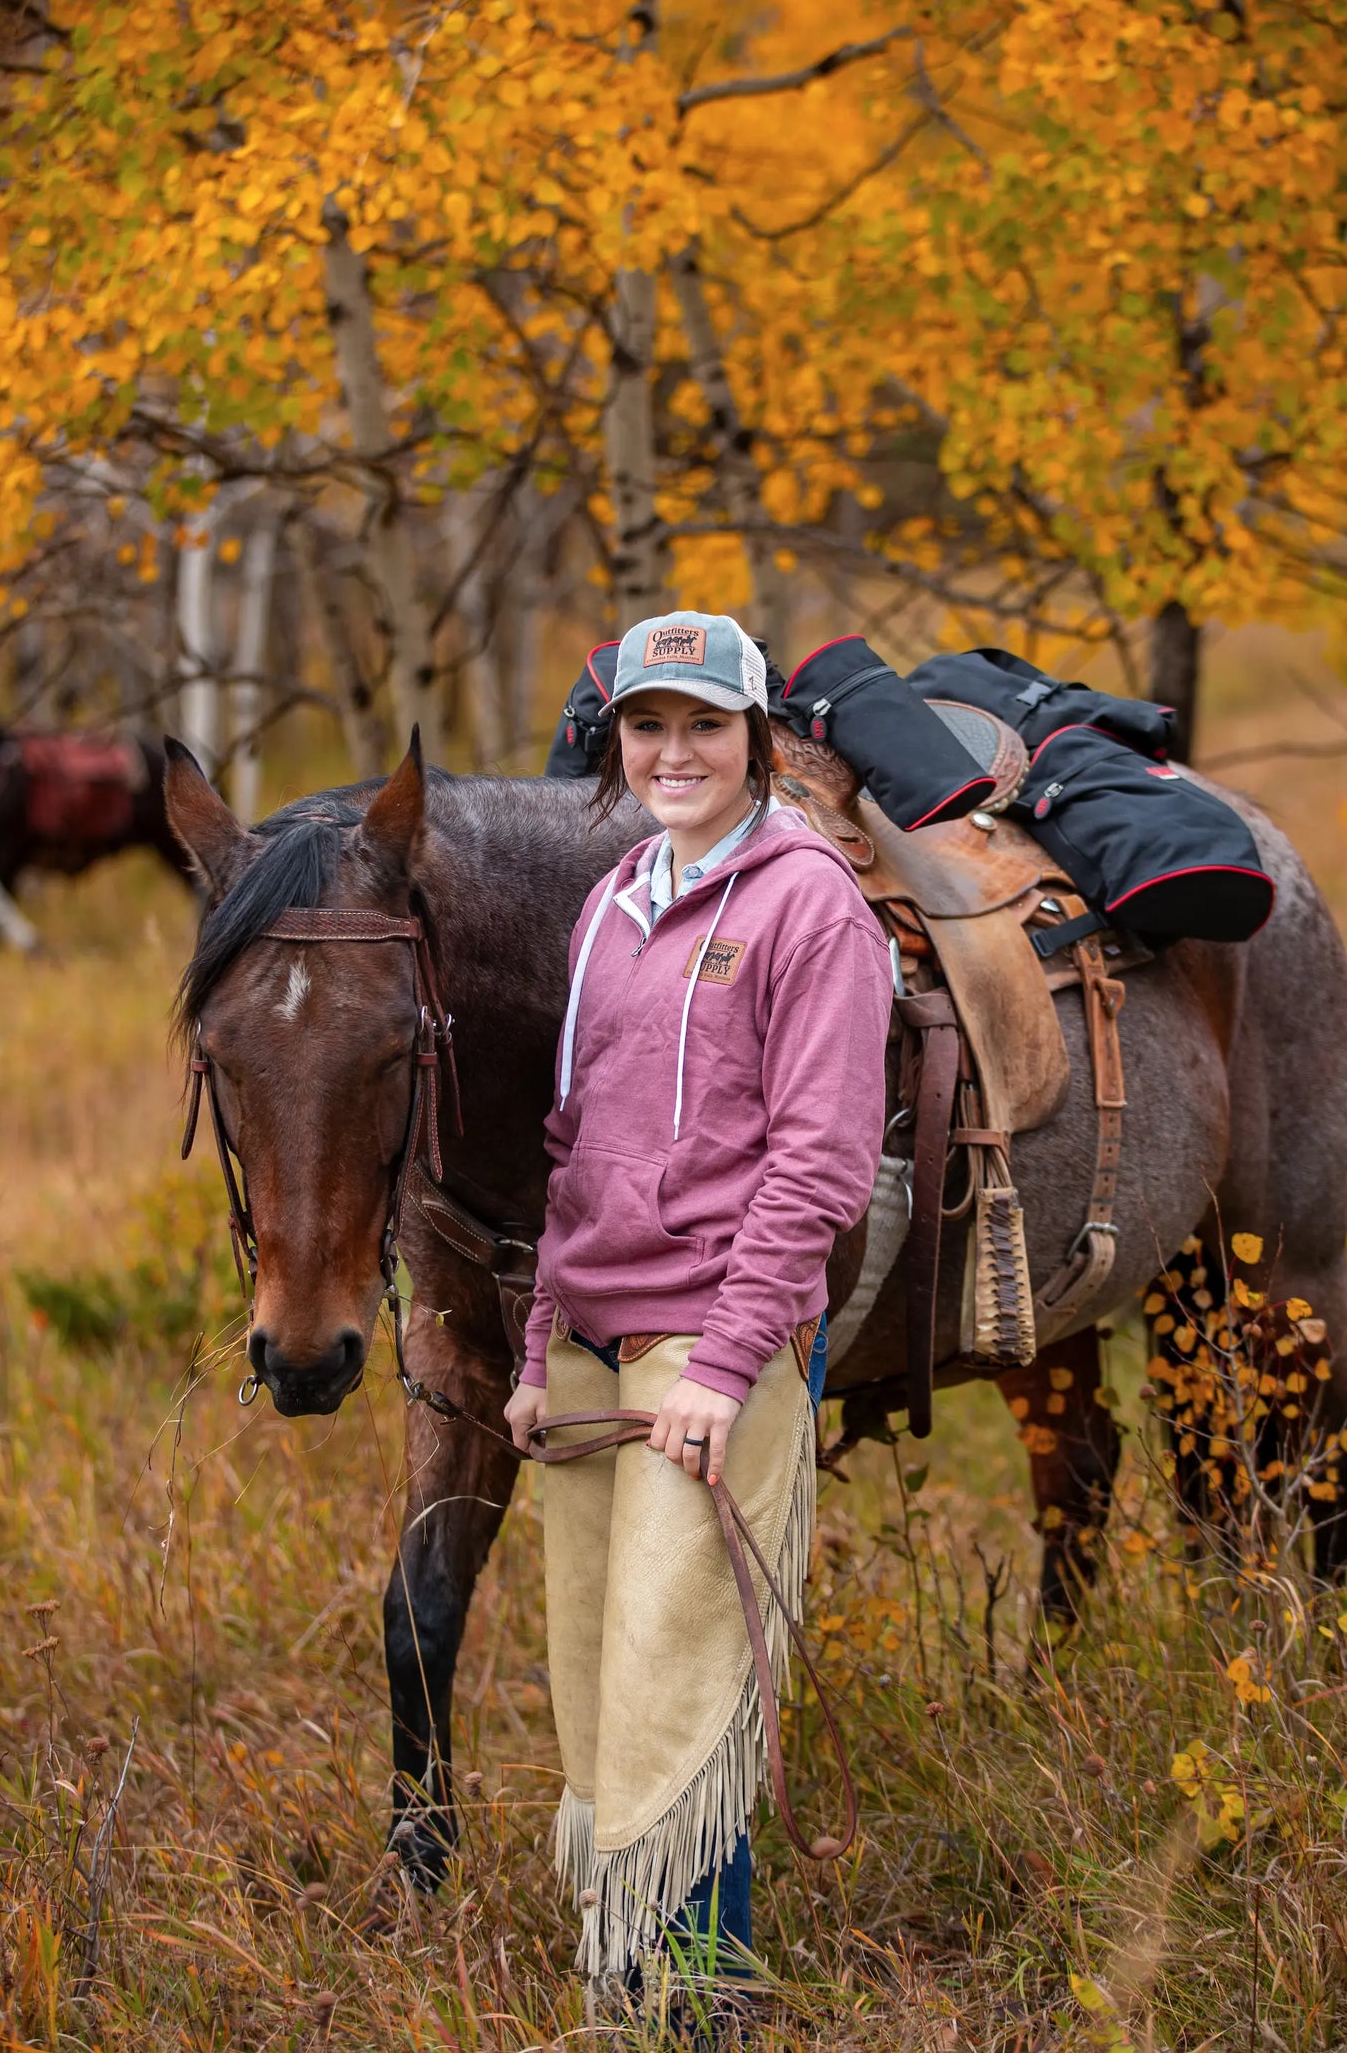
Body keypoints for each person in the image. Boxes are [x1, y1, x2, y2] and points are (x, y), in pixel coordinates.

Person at [507, 609, 891, 1995]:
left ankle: (691, 2007)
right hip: (595, 1340)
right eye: (646, 726)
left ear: (758, 742)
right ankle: (621, 1977)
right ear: (617, 744)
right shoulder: (610, 902)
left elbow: (823, 1157)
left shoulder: (807, 904)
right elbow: (571, 1144)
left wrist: (725, 1367)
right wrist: (541, 1344)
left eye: (703, 726)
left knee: (685, 1671)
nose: (673, 752)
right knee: (600, 1660)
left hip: (711, 1339)